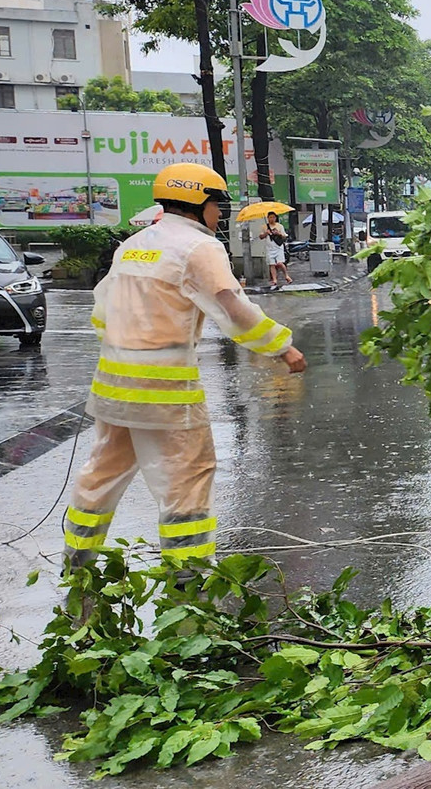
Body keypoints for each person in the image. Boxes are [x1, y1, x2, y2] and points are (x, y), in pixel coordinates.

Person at [64, 163, 307, 574]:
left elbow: (101, 312)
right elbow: (232, 307)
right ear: (198, 203)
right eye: (217, 204)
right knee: (188, 477)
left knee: (100, 474)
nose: (219, 214)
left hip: (113, 387)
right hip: (166, 391)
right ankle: (188, 579)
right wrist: (282, 348)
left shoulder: (134, 243)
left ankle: (77, 565)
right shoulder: (199, 247)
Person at [264, 212, 291, 289]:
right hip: (269, 247)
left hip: (278, 247)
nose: (271, 219)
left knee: (280, 263)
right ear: (268, 218)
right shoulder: (264, 227)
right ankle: (274, 279)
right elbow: (261, 236)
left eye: (273, 217)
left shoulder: (279, 226)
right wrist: (266, 233)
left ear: (275, 218)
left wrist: (278, 233)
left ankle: (286, 275)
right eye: (270, 217)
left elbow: (284, 237)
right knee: (272, 264)